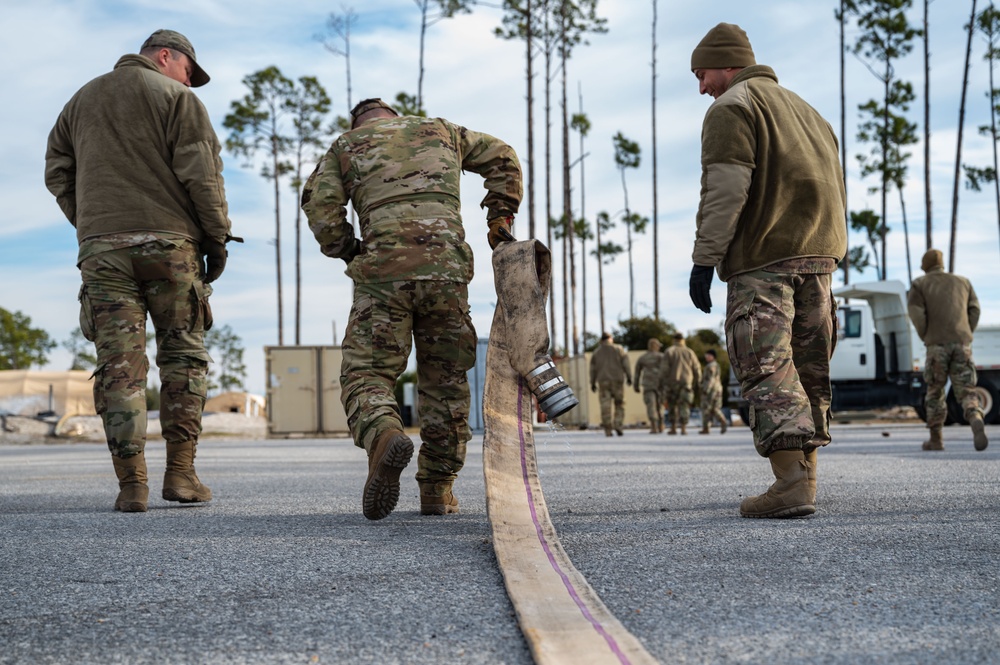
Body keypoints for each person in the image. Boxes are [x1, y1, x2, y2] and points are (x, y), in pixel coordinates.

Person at [302, 98, 521, 520]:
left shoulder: (346, 146)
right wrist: (500, 219)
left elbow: (321, 208)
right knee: (445, 381)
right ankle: (437, 491)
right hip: (447, 271)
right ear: (396, 118)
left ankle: (384, 432)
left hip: (384, 275)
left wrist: (348, 250)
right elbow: (504, 157)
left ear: (359, 123)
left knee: (367, 373)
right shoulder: (443, 131)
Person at [45, 29, 233, 514]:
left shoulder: (79, 101)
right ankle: (182, 476)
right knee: (183, 357)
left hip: (103, 250)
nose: (189, 84)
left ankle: (133, 485)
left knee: (120, 368)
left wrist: (92, 222)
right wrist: (215, 240)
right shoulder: (175, 99)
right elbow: (203, 176)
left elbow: (57, 172)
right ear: (166, 57)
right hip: (171, 245)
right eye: (189, 73)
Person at [687, 23, 847, 518]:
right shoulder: (810, 113)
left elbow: (726, 190)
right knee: (809, 367)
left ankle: (790, 484)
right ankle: (807, 479)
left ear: (728, 64)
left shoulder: (733, 107)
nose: (702, 87)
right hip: (819, 258)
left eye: (703, 73)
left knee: (765, 364)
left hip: (765, 259)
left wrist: (704, 260)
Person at [908, 249, 988, 452]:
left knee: (935, 392)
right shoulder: (963, 282)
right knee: (967, 389)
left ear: (925, 265)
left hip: (937, 346)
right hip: (962, 345)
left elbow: (916, 313)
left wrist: (927, 334)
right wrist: (965, 332)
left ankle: (936, 440)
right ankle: (975, 416)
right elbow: (975, 309)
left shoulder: (920, 284)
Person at [590, 332, 632, 437]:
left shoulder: (596, 352)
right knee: (620, 404)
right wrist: (629, 377)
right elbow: (626, 364)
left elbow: (592, 370)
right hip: (617, 381)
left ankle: (608, 429)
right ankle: (618, 424)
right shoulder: (619, 349)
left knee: (605, 406)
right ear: (611, 339)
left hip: (603, 382)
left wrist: (592, 383)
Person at [659, 333, 701, 435]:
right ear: (683, 340)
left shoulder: (669, 351)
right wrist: (698, 381)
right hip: (686, 383)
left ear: (674, 340)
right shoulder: (689, 352)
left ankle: (673, 428)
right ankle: (683, 428)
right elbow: (697, 368)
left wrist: (662, 381)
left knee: (672, 405)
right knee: (684, 405)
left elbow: (664, 369)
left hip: (672, 383)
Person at [634, 338, 665, 434]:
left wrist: (636, 385)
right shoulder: (662, 357)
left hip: (648, 384)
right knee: (660, 405)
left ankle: (653, 426)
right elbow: (667, 370)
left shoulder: (643, 358)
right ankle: (661, 425)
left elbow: (637, 373)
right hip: (660, 384)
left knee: (651, 405)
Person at [699, 349, 728, 435]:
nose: (706, 357)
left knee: (707, 408)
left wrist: (706, 390)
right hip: (718, 389)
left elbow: (710, 379)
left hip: (711, 390)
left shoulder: (710, 366)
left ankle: (707, 427)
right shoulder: (716, 365)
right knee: (715, 408)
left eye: (708, 355)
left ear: (713, 356)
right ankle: (721, 421)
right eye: (706, 355)